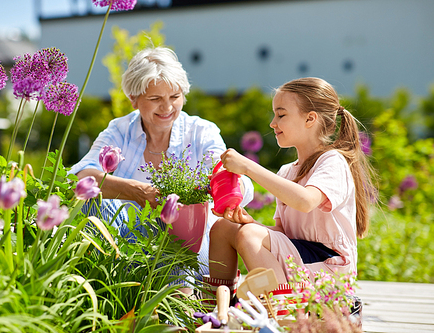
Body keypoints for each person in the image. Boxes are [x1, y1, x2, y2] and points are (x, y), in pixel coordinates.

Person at [69, 47, 254, 283]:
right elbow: (81, 177)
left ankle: (175, 307)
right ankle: (105, 286)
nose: (167, 108)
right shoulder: (120, 130)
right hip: (128, 248)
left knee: (171, 227)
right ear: (133, 99)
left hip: (190, 249)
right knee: (89, 201)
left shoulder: (200, 131)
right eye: (155, 99)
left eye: (175, 97)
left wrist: (227, 194)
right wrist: (136, 191)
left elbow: (231, 175)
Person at [207, 77, 375, 297]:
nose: (272, 123)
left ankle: (281, 317)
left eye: (281, 114)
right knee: (223, 227)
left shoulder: (332, 161)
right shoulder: (287, 171)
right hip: (301, 260)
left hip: (330, 270)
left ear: (310, 119)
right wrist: (253, 224)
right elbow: (284, 234)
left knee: (249, 235)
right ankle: (218, 309)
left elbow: (305, 201)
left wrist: (248, 167)